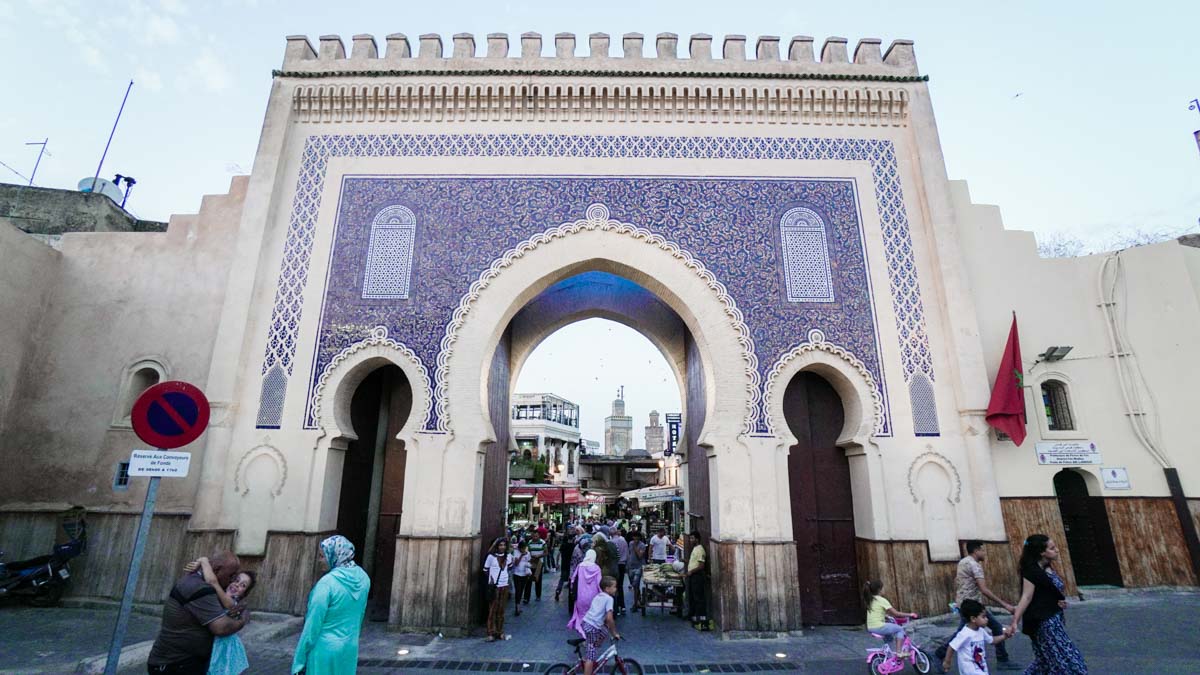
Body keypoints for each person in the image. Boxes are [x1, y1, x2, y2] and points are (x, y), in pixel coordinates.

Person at [148, 550, 248, 675]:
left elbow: (232, 602)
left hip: (183, 663)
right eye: (231, 576)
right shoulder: (200, 588)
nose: (231, 581)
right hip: (175, 665)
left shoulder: (201, 582)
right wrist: (242, 620)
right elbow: (221, 628)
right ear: (217, 570)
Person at [1005, 535, 1087, 674]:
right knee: (1069, 661)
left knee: (1044, 662)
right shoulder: (1032, 570)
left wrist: (1057, 601)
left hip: (1054, 618)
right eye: (1052, 548)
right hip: (1044, 622)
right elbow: (1027, 596)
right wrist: (1015, 621)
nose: (1057, 550)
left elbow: (1046, 591)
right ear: (1041, 552)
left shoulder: (1047, 566)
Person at [291, 535, 370, 674]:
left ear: (334, 554)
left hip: (324, 650)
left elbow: (312, 625)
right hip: (349, 649)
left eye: (322, 556)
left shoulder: (327, 584)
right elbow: (360, 616)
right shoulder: (364, 578)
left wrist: (299, 661)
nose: (319, 560)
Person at [935, 541, 1017, 668]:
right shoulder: (974, 565)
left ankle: (941, 653)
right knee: (989, 628)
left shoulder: (962, 562)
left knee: (965, 631)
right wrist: (1005, 605)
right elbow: (984, 589)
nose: (984, 553)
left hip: (964, 603)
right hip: (973, 606)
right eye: (983, 550)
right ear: (976, 550)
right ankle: (1002, 660)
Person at [184, 557, 256, 675]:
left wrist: (203, 561)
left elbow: (212, 582)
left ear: (244, 593)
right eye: (236, 580)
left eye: (243, 585)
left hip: (222, 649)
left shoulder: (232, 603)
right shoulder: (215, 596)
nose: (237, 585)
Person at [942, 599, 1013, 675]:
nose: (987, 619)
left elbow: (992, 640)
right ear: (973, 619)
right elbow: (952, 646)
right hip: (969, 670)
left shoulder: (981, 631)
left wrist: (1005, 636)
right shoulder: (964, 633)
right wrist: (947, 662)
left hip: (981, 668)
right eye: (983, 617)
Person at [863, 579, 917, 657]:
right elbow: (896, 613)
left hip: (871, 627)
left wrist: (885, 616)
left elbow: (875, 612)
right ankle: (899, 652)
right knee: (900, 629)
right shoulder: (882, 600)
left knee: (889, 637)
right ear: (879, 590)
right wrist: (910, 614)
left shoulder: (870, 600)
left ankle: (889, 655)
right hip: (879, 626)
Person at [580, 576, 622, 675]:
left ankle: (593, 644)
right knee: (591, 656)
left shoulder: (598, 596)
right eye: (614, 587)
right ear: (607, 589)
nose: (616, 589)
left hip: (586, 623)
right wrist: (615, 633)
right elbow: (609, 619)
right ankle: (590, 648)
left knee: (605, 629)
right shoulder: (609, 599)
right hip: (592, 627)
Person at [483, 537, 515, 641]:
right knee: (492, 610)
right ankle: (490, 632)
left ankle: (499, 631)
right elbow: (485, 570)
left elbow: (509, 567)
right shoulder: (491, 557)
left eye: (504, 545)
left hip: (504, 585)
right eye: (500, 545)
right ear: (496, 546)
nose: (502, 547)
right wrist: (491, 581)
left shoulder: (508, 556)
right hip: (494, 586)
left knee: (501, 610)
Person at [567, 549, 603, 636]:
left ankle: (583, 634)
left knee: (582, 616)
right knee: (592, 616)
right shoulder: (596, 568)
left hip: (581, 596)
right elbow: (599, 583)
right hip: (593, 597)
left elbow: (573, 579)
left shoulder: (580, 566)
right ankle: (591, 634)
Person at [685, 532, 709, 630]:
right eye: (690, 538)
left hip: (697, 576)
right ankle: (693, 616)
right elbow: (694, 562)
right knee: (692, 596)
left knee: (698, 598)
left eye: (692, 538)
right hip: (692, 576)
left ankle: (700, 618)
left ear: (697, 539)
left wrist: (691, 572)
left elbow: (701, 566)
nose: (690, 540)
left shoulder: (700, 550)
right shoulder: (695, 549)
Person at [555, 526, 579, 602]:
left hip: (564, 564)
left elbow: (558, 554)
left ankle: (558, 591)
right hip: (571, 565)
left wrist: (557, 563)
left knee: (562, 579)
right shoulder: (574, 546)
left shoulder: (564, 545)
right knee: (571, 579)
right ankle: (571, 593)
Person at [626, 530, 647, 612]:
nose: (635, 540)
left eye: (637, 538)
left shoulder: (642, 546)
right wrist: (627, 565)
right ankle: (639, 599)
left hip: (639, 567)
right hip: (631, 566)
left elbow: (640, 556)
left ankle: (635, 604)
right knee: (634, 585)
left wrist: (635, 547)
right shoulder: (630, 543)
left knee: (635, 585)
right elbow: (629, 554)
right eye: (634, 538)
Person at [511, 541, 533, 615]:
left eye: (524, 548)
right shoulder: (516, 552)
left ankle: (518, 606)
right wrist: (521, 555)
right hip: (517, 574)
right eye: (522, 549)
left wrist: (528, 565)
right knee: (518, 590)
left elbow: (529, 561)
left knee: (521, 590)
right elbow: (516, 563)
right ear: (519, 548)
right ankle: (517, 607)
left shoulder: (528, 553)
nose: (523, 550)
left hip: (525, 574)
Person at [612, 528, 629, 615]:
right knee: (620, 585)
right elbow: (627, 552)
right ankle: (622, 606)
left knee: (614, 586)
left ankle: (616, 607)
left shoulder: (611, 542)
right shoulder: (623, 541)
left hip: (615, 565)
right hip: (622, 564)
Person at [528, 530, 546, 601]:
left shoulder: (542, 542)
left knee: (538, 579)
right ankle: (527, 597)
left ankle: (538, 595)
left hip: (539, 563)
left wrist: (539, 555)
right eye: (534, 536)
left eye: (536, 536)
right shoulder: (529, 542)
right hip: (531, 562)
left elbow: (546, 552)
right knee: (529, 580)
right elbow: (528, 552)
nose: (535, 537)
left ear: (539, 536)